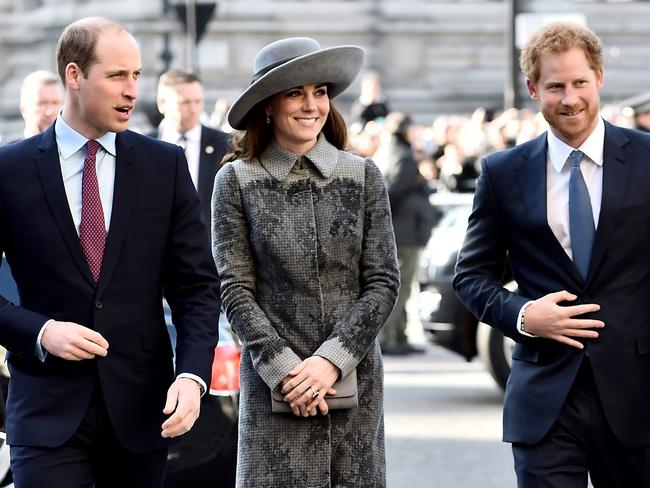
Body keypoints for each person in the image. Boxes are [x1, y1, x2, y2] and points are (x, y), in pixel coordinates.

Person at [0, 17, 220, 487]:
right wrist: (40, 331)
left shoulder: (165, 166)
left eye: (137, 75)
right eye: (117, 75)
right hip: (45, 415)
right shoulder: (9, 169)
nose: (131, 91)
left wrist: (192, 377)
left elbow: (197, 286)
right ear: (74, 76)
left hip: (143, 412)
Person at [453, 21, 650, 487]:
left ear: (598, 78)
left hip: (636, 396)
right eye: (555, 86)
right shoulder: (504, 172)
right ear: (533, 89)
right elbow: (471, 276)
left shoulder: (646, 159)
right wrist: (524, 317)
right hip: (545, 399)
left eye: (580, 82)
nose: (570, 98)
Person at [211, 37, 399, 487]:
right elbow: (234, 288)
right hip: (274, 389)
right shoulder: (236, 180)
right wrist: (285, 371)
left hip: (354, 385)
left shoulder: (363, 175)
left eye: (319, 92)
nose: (310, 105)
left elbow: (383, 281)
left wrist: (330, 362)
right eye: (295, 92)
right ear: (268, 106)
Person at [375, 112, 437, 355]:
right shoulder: (404, 157)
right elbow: (393, 192)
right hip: (405, 230)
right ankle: (391, 338)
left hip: (397, 229)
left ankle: (398, 337)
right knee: (400, 288)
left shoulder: (386, 151)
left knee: (397, 286)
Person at [153, 69, 230, 223]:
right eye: (185, 102)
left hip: (206, 243)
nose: (194, 110)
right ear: (162, 103)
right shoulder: (141, 145)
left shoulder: (225, 145)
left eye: (198, 101)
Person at [3, 70, 63, 143]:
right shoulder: (7, 151)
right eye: (41, 103)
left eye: (55, 103)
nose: (49, 112)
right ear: (24, 110)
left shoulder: (74, 150)